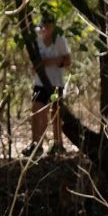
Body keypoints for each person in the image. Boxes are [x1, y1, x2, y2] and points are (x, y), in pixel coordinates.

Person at [26, 14, 71, 156]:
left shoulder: (60, 40)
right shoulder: (36, 41)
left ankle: (58, 144)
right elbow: (34, 64)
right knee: (37, 111)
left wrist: (48, 61)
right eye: (45, 24)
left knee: (55, 113)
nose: (47, 27)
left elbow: (67, 61)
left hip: (56, 83)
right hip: (40, 83)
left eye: (50, 24)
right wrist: (52, 61)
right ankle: (36, 144)